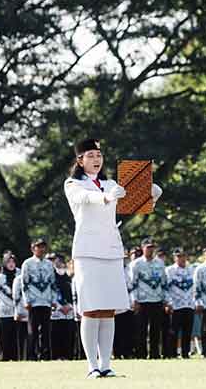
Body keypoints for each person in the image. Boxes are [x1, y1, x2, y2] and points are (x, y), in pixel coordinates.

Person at [64, 138, 161, 378]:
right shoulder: (73, 183)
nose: (96, 160)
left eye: (99, 155)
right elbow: (85, 199)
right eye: (90, 156)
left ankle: (106, 364)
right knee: (91, 309)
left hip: (111, 250)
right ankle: (91, 366)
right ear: (80, 160)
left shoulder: (110, 182)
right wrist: (106, 197)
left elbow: (134, 202)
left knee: (108, 310)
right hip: (87, 251)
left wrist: (150, 194)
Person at [130, 237, 169, 360]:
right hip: (142, 300)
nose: (150, 250)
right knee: (141, 329)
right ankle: (141, 354)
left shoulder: (160, 263)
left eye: (152, 248)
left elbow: (164, 283)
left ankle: (154, 353)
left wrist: (165, 300)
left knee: (155, 329)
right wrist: (134, 300)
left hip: (156, 300)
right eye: (148, 248)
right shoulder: (136, 264)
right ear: (143, 248)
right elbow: (133, 283)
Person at [20, 238, 58, 362]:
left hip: (46, 301)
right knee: (33, 330)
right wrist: (26, 300)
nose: (41, 249)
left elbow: (53, 283)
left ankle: (45, 355)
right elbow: (24, 283)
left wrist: (53, 299)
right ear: (33, 249)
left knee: (46, 331)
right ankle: (32, 355)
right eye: (38, 247)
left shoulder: (48, 264)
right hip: (34, 301)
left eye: (43, 247)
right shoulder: (27, 263)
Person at [165, 248, 195, 359]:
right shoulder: (169, 270)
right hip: (176, 305)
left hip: (189, 304)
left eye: (183, 256)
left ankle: (185, 353)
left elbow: (195, 287)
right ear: (174, 258)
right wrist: (168, 303)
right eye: (179, 256)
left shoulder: (191, 269)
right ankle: (172, 353)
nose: (181, 258)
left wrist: (195, 302)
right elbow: (166, 288)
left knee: (187, 331)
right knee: (174, 331)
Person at [0, 253, 19, 361]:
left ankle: (16, 356)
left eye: (13, 262)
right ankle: (3, 357)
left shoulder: (19, 274)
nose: (11, 264)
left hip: (16, 312)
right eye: (8, 262)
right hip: (2, 312)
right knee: (3, 337)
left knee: (15, 337)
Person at [51, 255, 75, 360]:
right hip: (56, 310)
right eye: (57, 262)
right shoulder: (52, 277)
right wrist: (59, 306)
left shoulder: (69, 278)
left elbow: (74, 293)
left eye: (61, 261)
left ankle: (68, 355)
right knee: (56, 335)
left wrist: (70, 306)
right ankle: (57, 356)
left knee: (68, 334)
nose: (59, 263)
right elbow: (51, 292)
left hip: (69, 310)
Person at [12, 272, 29, 360]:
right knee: (21, 337)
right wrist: (17, 312)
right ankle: (21, 357)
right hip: (21, 312)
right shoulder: (18, 279)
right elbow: (15, 297)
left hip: (32, 312)